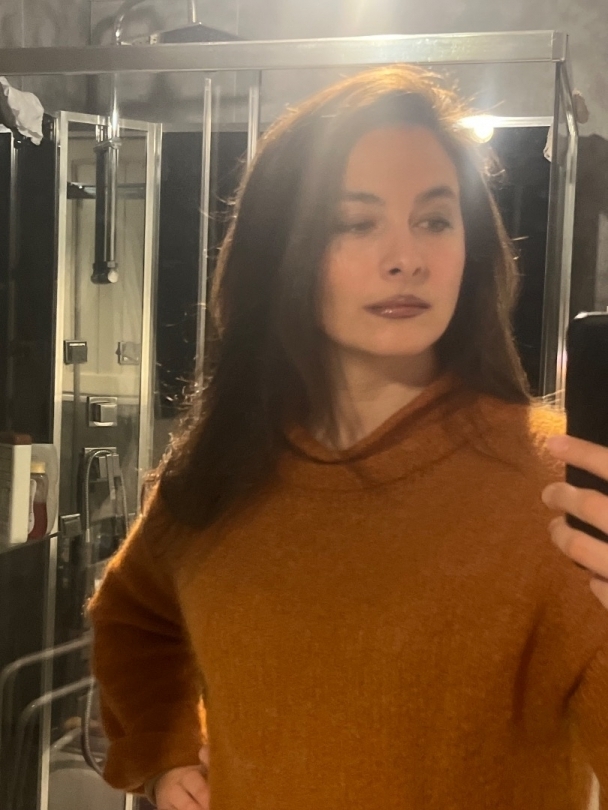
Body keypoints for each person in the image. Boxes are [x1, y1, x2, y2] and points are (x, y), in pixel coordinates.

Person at [88, 64, 608, 810]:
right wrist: (166, 758)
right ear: (282, 251)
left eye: (435, 220)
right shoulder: (223, 471)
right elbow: (133, 614)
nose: (406, 257)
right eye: (355, 223)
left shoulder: (552, 486)